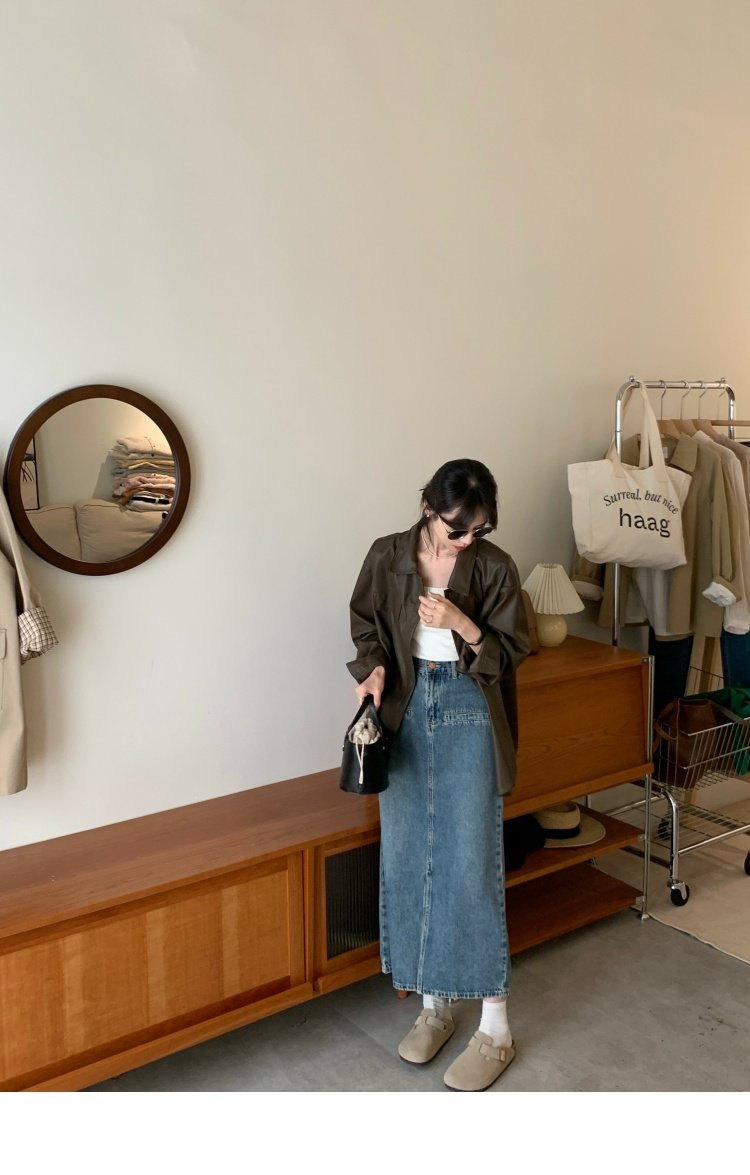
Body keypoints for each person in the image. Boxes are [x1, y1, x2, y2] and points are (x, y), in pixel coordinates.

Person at [347, 458, 530, 1092]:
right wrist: (373, 670)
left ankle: (496, 1029)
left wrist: (461, 624)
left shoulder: (495, 567)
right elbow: (367, 625)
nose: (468, 541)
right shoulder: (387, 555)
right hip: (403, 708)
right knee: (408, 855)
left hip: (468, 705)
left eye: (479, 530)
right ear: (429, 507)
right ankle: (435, 1005)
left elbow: (511, 652)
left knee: (469, 861)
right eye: (458, 530)